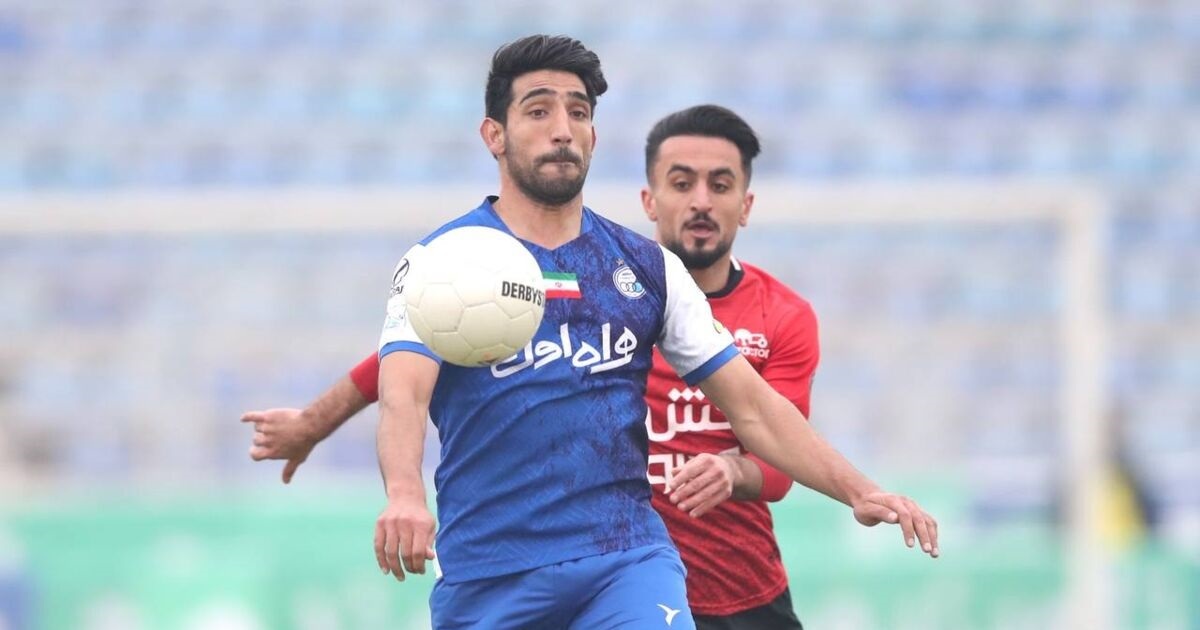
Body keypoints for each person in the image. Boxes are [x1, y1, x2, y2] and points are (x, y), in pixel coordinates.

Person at [244, 35, 938, 630]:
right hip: (492, 570)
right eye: (538, 110)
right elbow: (402, 390)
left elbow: (753, 408)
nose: (562, 129)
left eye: (578, 112)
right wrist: (402, 493)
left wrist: (859, 489)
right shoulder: (444, 264)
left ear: (595, 136)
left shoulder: (644, 268)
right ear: (494, 135)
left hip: (624, 560)